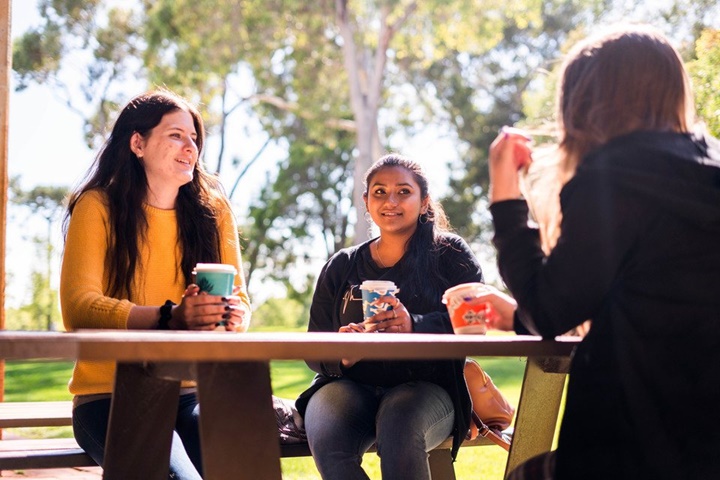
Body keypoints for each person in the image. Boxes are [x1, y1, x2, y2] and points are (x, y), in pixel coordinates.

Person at [485, 24, 720, 479]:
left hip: (629, 447)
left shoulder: (615, 176)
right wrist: (516, 317)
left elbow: (554, 309)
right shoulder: (709, 170)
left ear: (585, 104)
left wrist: (504, 196)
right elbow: (652, 294)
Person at [60, 89, 252, 479]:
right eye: (176, 135)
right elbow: (79, 307)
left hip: (192, 393)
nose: (190, 147)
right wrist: (171, 317)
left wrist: (226, 315)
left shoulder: (214, 213)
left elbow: (241, 303)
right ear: (137, 143)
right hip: (109, 397)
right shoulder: (97, 206)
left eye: (194, 138)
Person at [295, 154, 483, 480]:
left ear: (424, 202)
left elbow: (475, 324)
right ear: (366, 201)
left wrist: (415, 325)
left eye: (404, 192)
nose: (390, 201)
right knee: (328, 437)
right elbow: (314, 345)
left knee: (400, 425)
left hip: (427, 389)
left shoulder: (450, 255)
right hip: (351, 386)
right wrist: (342, 352)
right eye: (379, 192)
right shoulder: (342, 265)